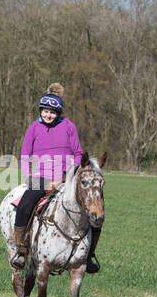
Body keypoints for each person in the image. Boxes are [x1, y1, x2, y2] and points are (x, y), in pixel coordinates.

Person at [12, 82, 101, 272]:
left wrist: (67, 176)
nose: (48, 115)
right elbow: (25, 154)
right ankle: (21, 250)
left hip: (65, 178)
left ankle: (90, 254)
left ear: (58, 113)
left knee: (93, 208)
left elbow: (78, 153)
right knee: (25, 204)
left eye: (52, 112)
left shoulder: (69, 126)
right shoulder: (34, 127)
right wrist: (29, 178)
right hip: (40, 177)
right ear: (40, 110)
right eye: (45, 111)